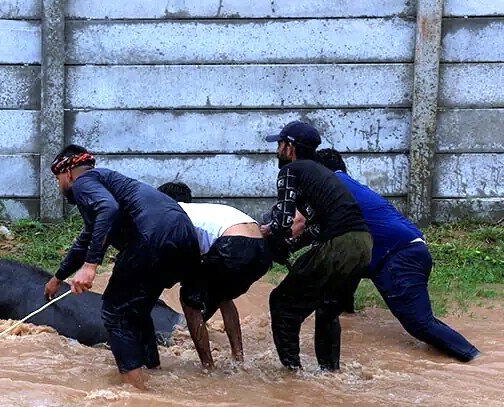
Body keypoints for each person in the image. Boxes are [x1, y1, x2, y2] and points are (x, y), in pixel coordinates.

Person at [43, 145, 200, 389]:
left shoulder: (84, 182)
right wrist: (58, 277)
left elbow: (108, 209)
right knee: (136, 311)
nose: (59, 185)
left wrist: (90, 266)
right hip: (184, 238)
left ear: (69, 173)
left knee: (114, 312)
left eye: (58, 179)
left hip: (152, 236)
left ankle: (137, 393)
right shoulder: (106, 184)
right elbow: (88, 238)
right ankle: (151, 371)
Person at [311, 148, 480, 362]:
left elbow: (302, 223)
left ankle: (474, 358)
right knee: (346, 262)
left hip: (399, 257)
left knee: (420, 324)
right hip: (407, 248)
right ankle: (346, 310)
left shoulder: (332, 186)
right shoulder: (349, 186)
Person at [260, 121, 372, 371]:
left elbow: (284, 220)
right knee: (328, 308)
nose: (276, 151)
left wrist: (270, 236)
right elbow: (316, 227)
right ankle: (330, 373)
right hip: (363, 244)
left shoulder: (291, 171)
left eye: (279, 144)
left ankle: (292, 375)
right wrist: (291, 246)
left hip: (339, 244)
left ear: (289, 147)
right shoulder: (322, 174)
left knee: (281, 303)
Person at [157, 181, 272, 367]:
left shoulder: (173, 211)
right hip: (262, 250)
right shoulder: (205, 210)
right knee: (222, 294)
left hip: (233, 245)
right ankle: (238, 358)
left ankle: (207, 366)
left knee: (188, 299)